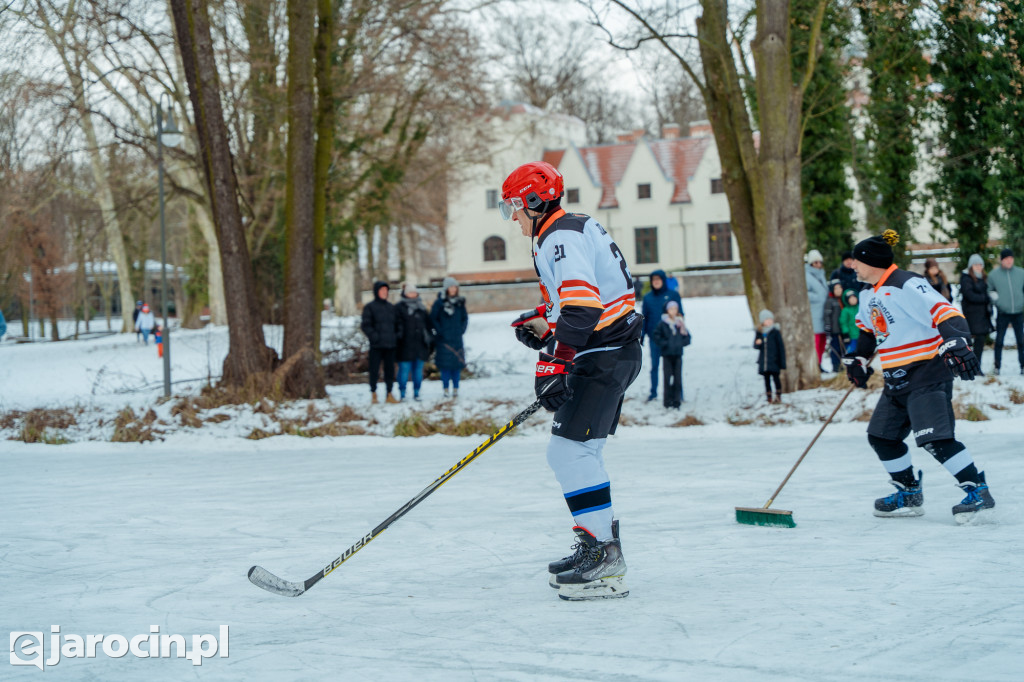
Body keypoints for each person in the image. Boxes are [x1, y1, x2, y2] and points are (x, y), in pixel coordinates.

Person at [501, 160, 642, 601]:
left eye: (513, 207)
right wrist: (546, 326)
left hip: (604, 356)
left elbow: (584, 309)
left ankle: (603, 556)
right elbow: (580, 302)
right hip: (611, 352)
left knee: (568, 451)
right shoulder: (568, 227)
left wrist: (556, 362)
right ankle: (597, 546)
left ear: (533, 201)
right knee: (582, 451)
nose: (513, 218)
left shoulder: (559, 236)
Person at [842, 230, 994, 523]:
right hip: (895, 379)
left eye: (857, 260)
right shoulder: (866, 293)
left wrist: (956, 340)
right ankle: (909, 492)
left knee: (935, 439)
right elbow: (868, 330)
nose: (853, 265)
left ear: (872, 262)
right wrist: (859, 358)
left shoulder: (906, 283)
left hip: (927, 373)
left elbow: (945, 312)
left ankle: (977, 491)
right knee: (882, 437)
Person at [640, 269, 682, 402]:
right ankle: (653, 392)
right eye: (654, 280)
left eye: (658, 279)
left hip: (671, 339)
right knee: (654, 366)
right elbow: (644, 317)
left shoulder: (673, 295)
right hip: (654, 338)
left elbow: (680, 315)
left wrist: (680, 332)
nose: (656, 282)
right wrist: (642, 334)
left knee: (674, 368)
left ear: (663, 280)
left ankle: (678, 394)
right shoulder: (647, 298)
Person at [360, 281, 400, 404]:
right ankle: (373, 393)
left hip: (390, 345)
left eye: (386, 290)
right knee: (374, 370)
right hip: (376, 345)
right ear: (376, 292)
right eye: (382, 290)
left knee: (390, 371)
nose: (384, 292)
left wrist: (396, 336)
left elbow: (398, 325)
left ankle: (389, 393)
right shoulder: (370, 307)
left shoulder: (391, 308)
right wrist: (374, 336)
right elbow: (366, 325)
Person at [987, 247, 1024, 375]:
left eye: (1011, 258)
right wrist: (998, 302)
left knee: (1021, 341)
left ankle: (1023, 366)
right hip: (1003, 313)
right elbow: (990, 291)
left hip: (1018, 312)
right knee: (999, 341)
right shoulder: (994, 275)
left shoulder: (1021, 273)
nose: (1009, 261)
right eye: (1006, 259)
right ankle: (997, 366)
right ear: (1002, 260)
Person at [430, 276, 469, 399]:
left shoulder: (460, 303)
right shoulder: (439, 303)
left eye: (455, 287)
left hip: (457, 339)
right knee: (445, 367)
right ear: (446, 288)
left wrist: (461, 330)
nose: (453, 289)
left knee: (456, 366)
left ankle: (456, 388)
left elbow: (465, 318)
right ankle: (446, 388)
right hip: (443, 340)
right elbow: (433, 318)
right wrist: (440, 331)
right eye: (451, 287)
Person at [395, 281, 434, 402]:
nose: (412, 294)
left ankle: (417, 392)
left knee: (418, 371)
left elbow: (428, 326)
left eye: (414, 292)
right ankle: (402, 393)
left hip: (420, 346)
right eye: (410, 292)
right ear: (405, 293)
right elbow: (395, 326)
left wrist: (429, 340)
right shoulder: (399, 308)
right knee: (404, 371)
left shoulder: (421, 308)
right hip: (404, 346)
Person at [959, 254, 994, 370]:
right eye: (976, 265)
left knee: (980, 341)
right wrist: (986, 298)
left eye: (980, 265)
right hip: (972, 315)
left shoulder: (983, 277)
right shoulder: (966, 278)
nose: (978, 267)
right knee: (974, 341)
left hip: (982, 315)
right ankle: (971, 366)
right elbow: (970, 295)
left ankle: (976, 366)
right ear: (971, 266)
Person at [651, 300, 688, 408]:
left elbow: (687, 337)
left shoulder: (680, 324)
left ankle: (677, 401)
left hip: (678, 355)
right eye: (671, 309)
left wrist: (680, 343)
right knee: (667, 379)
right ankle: (667, 402)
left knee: (678, 379)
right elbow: (656, 336)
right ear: (667, 310)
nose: (673, 311)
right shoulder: (663, 324)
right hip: (667, 355)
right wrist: (666, 344)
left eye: (675, 308)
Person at [754, 309, 786, 404]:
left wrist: (782, 362)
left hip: (774, 361)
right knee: (766, 380)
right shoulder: (760, 333)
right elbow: (756, 346)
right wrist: (758, 343)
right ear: (762, 321)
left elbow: (781, 348)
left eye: (770, 319)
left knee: (776, 379)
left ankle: (778, 396)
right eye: (766, 320)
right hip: (764, 363)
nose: (769, 322)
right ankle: (769, 397)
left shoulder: (775, 332)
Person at [805, 249, 829, 371]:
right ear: (811, 263)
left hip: (823, 312)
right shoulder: (806, 275)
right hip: (814, 312)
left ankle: (819, 363)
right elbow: (804, 293)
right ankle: (814, 364)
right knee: (816, 339)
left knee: (823, 340)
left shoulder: (821, 275)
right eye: (815, 262)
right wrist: (818, 297)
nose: (818, 264)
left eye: (820, 262)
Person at [823, 281, 844, 372]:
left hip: (843, 329)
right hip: (834, 329)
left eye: (840, 288)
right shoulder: (830, 301)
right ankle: (836, 366)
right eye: (836, 288)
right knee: (835, 348)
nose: (838, 290)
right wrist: (828, 327)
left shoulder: (843, 300)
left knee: (842, 348)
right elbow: (827, 316)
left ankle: (841, 364)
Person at [839, 289, 861, 355]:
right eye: (850, 298)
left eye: (854, 297)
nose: (853, 299)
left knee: (862, 351)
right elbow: (843, 323)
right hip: (851, 336)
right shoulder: (845, 310)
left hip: (861, 335)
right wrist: (846, 334)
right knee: (852, 351)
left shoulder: (860, 308)